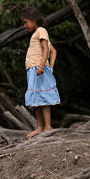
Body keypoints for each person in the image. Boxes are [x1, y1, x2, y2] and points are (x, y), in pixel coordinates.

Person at [19, 7, 60, 139]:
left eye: (26, 22)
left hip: (38, 69)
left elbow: (46, 50)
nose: (25, 26)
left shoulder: (41, 31)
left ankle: (47, 126)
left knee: (43, 97)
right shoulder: (37, 33)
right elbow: (53, 50)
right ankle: (39, 127)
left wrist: (44, 66)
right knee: (35, 99)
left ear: (34, 19)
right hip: (34, 70)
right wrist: (49, 66)